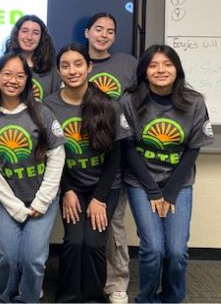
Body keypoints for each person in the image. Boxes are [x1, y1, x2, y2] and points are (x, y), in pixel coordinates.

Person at [120, 45, 213, 303]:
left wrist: (169, 193)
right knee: (153, 248)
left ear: (177, 69)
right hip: (141, 182)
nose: (161, 70)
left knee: (176, 250)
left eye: (167, 64)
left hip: (178, 184)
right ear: (144, 72)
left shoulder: (194, 102)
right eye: (153, 65)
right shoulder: (129, 101)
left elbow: (193, 148)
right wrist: (152, 190)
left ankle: (172, 298)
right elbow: (127, 148)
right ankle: (146, 298)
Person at [0, 52, 66, 303]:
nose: (13, 80)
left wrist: (41, 201)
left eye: (19, 75)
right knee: (6, 257)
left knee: (33, 259)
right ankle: (6, 298)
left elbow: (57, 156)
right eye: (7, 74)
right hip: (8, 201)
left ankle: (28, 299)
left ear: (27, 80)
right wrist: (13, 205)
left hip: (42, 199)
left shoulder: (41, 111)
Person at [44, 43, 131, 303]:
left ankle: (93, 298)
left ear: (89, 67)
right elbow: (51, 156)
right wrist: (67, 190)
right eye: (65, 65)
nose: (72, 70)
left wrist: (100, 198)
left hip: (105, 187)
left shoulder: (110, 105)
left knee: (93, 242)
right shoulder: (48, 106)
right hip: (71, 185)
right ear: (59, 71)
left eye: (78, 64)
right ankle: (68, 296)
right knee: (74, 241)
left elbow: (116, 156)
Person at [84, 12, 138, 303]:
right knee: (85, 230)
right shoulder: (76, 61)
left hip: (119, 153)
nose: (104, 35)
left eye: (110, 31)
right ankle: (87, 280)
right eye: (98, 29)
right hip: (83, 157)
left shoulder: (128, 63)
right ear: (87, 32)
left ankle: (117, 284)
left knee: (115, 224)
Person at [0, 15, 60, 101]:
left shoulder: (52, 69)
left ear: (41, 38)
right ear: (17, 34)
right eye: (24, 31)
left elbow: (58, 103)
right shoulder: (0, 64)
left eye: (35, 33)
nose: (29, 37)